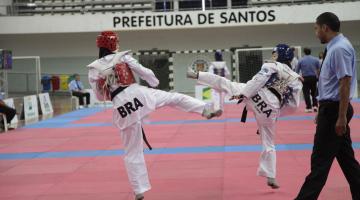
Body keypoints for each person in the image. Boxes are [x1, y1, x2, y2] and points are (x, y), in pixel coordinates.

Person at [87, 31, 220, 200]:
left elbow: (100, 97)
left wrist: (105, 85)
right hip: (139, 94)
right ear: (113, 44)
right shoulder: (123, 57)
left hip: (121, 106)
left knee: (132, 152)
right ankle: (204, 109)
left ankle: (138, 191)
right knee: (175, 98)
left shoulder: (93, 69)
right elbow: (145, 72)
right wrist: (154, 83)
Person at [187, 44, 303, 189]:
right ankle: (271, 175)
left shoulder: (272, 65)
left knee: (226, 83)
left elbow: (258, 81)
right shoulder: (297, 79)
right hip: (271, 110)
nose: (273, 56)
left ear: (277, 55)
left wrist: (244, 94)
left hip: (256, 95)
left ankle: (196, 75)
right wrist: (276, 113)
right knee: (269, 142)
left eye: (274, 53)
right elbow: (293, 106)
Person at [295, 12, 360, 200]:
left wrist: (340, 116)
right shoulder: (336, 47)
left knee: (320, 163)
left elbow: (344, 82)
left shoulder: (339, 49)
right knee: (348, 162)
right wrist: (322, 106)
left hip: (334, 110)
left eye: (316, 28)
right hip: (330, 108)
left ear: (325, 27)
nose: (316, 33)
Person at [296, 47, 320, 112]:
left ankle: (309, 107)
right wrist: (318, 77)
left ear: (304, 52)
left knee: (306, 93)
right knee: (314, 92)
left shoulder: (301, 60)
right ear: (310, 52)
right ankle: (315, 106)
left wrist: (299, 78)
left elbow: (297, 71)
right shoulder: (316, 59)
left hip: (305, 78)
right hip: (313, 78)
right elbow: (319, 69)